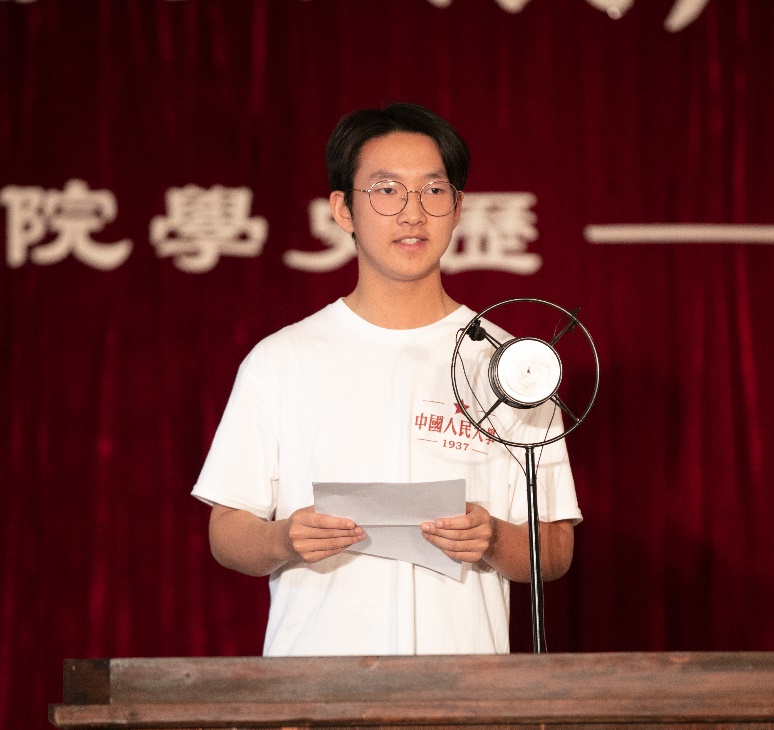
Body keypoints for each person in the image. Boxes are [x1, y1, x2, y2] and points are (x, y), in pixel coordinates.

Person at [192, 103, 581, 656]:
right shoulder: (283, 359)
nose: (412, 213)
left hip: (464, 682)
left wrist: (493, 538)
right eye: (386, 190)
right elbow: (227, 530)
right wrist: (285, 538)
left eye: (433, 190)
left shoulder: (512, 366)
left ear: (458, 207)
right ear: (343, 209)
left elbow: (556, 549)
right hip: (315, 682)